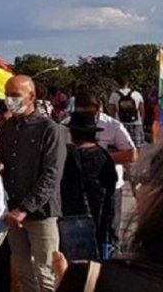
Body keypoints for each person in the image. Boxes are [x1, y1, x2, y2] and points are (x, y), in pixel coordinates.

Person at [55, 117, 163, 290]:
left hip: (70, 215)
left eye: (147, 177)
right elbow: (110, 187)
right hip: (97, 216)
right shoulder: (103, 157)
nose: (140, 187)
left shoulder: (93, 280)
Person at [0, 75, 66, 292]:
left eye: (15, 95)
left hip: (40, 213)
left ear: (32, 96)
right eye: (7, 95)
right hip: (13, 213)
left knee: (45, 273)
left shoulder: (50, 129)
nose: (10, 100)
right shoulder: (8, 128)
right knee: (23, 272)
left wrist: (25, 208)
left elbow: (51, 175)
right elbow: (6, 163)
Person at [62, 90, 136, 257]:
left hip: (106, 194)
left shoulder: (113, 125)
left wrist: (97, 156)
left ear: (99, 108)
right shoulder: (65, 125)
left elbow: (132, 154)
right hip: (74, 203)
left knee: (110, 234)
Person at [58, 112, 116, 263]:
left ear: (72, 133)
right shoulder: (104, 158)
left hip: (68, 218)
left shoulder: (66, 155)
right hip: (97, 221)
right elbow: (110, 193)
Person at [108, 78, 145, 147]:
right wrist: (141, 122)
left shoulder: (114, 95)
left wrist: (113, 124)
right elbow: (142, 110)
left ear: (118, 84)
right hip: (136, 123)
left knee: (122, 147)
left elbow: (111, 111)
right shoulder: (137, 94)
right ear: (128, 83)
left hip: (120, 124)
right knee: (137, 146)